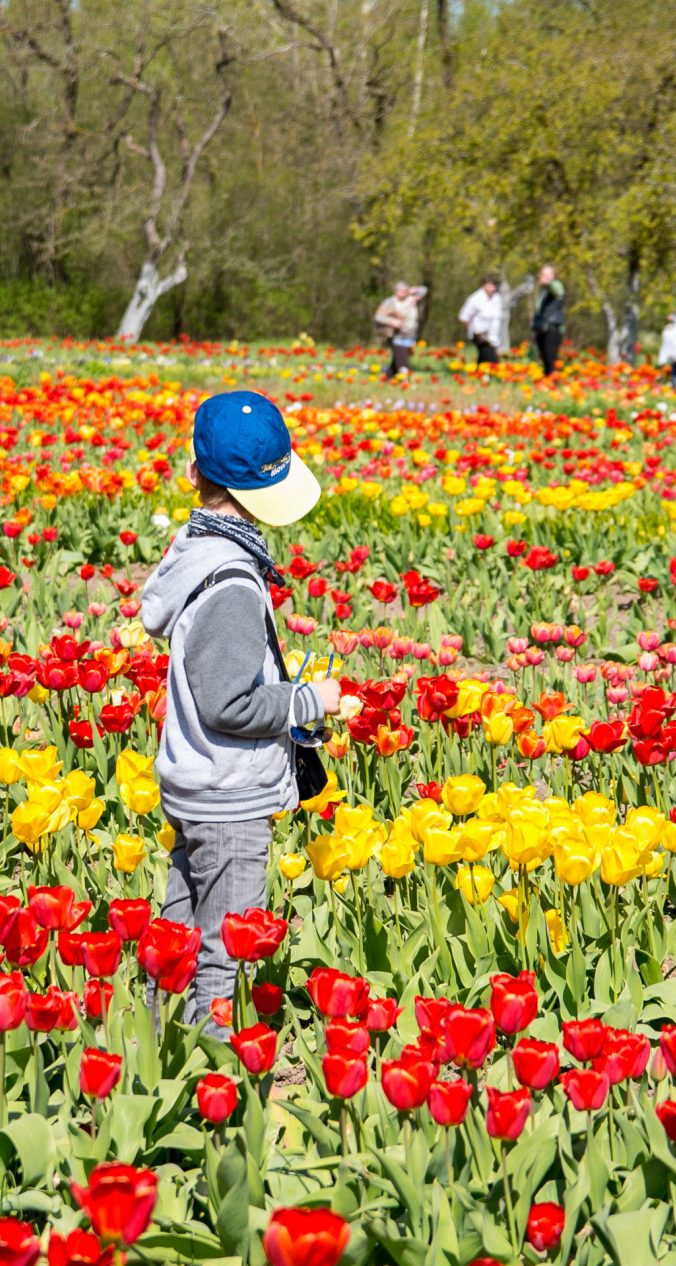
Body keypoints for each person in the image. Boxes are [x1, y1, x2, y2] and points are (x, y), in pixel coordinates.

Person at [137, 391, 340, 1037]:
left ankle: (150, 1042)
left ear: (195, 473)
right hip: (229, 797)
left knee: (179, 929)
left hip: (196, 782)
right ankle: (213, 1071)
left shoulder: (196, 549)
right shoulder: (231, 582)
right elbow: (230, 703)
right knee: (225, 946)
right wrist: (311, 701)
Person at [372, 281, 427, 380]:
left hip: (409, 334)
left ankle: (388, 377)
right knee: (402, 360)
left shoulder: (411, 299)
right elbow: (378, 317)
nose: (401, 293)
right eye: (399, 291)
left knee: (398, 358)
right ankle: (405, 379)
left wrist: (413, 290)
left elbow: (424, 290)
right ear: (395, 291)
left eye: (403, 291)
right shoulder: (389, 302)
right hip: (395, 334)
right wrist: (391, 321)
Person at [458, 275, 506, 366]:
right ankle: (486, 376)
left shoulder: (497, 298)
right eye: (489, 285)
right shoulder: (476, 299)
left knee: (484, 359)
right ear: (483, 285)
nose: (491, 288)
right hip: (480, 336)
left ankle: (478, 375)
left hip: (493, 336)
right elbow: (464, 317)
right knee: (492, 361)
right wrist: (473, 329)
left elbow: (497, 319)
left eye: (493, 285)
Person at [530, 265, 565, 376]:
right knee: (544, 358)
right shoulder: (543, 291)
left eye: (548, 275)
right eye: (543, 274)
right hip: (542, 329)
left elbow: (559, 291)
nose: (544, 277)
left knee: (551, 358)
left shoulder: (555, 286)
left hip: (552, 329)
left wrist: (549, 282)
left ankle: (554, 384)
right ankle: (547, 382)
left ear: (553, 276)